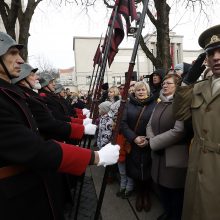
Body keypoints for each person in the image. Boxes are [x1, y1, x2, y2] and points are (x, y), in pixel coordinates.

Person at [0, 31, 120, 220]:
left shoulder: (11, 94)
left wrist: (81, 123)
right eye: (12, 53)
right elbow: (35, 144)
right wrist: (94, 156)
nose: (21, 60)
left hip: (35, 177)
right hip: (17, 193)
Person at [173, 24, 220, 220]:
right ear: (206, 60)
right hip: (198, 163)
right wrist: (186, 82)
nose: (216, 57)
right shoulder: (199, 87)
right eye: (211, 53)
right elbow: (180, 114)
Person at [146, 74, 189, 220]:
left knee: (174, 191)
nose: (164, 85)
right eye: (163, 83)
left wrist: (153, 143)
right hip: (158, 156)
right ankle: (167, 213)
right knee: (162, 188)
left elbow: (179, 131)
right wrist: (153, 140)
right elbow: (149, 125)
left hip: (174, 157)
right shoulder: (159, 103)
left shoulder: (181, 103)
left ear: (177, 86)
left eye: (168, 83)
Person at [121, 81, 157, 212]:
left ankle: (146, 195)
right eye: (138, 90)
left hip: (149, 142)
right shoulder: (127, 105)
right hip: (133, 143)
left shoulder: (155, 104)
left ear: (148, 91)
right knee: (135, 169)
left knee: (148, 169)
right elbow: (123, 124)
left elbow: (157, 124)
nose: (141, 92)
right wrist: (134, 138)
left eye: (143, 90)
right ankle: (139, 195)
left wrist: (148, 138)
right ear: (134, 93)